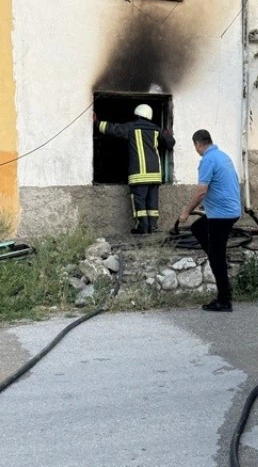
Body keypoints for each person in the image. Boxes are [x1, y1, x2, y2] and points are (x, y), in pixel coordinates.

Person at [178, 129, 242, 312]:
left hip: (221, 216)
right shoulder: (223, 156)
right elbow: (226, 184)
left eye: (195, 146)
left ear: (198, 144)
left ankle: (224, 300)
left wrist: (186, 212)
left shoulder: (208, 160)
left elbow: (201, 191)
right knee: (198, 228)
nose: (196, 149)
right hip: (229, 210)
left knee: (216, 257)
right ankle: (218, 255)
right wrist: (208, 207)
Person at [96, 104, 174, 234]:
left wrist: (97, 122)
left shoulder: (132, 127)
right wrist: (168, 134)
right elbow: (170, 144)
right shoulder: (156, 129)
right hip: (155, 175)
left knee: (139, 201)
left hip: (139, 175)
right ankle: (153, 227)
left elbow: (113, 129)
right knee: (152, 202)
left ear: (137, 114)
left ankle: (142, 227)